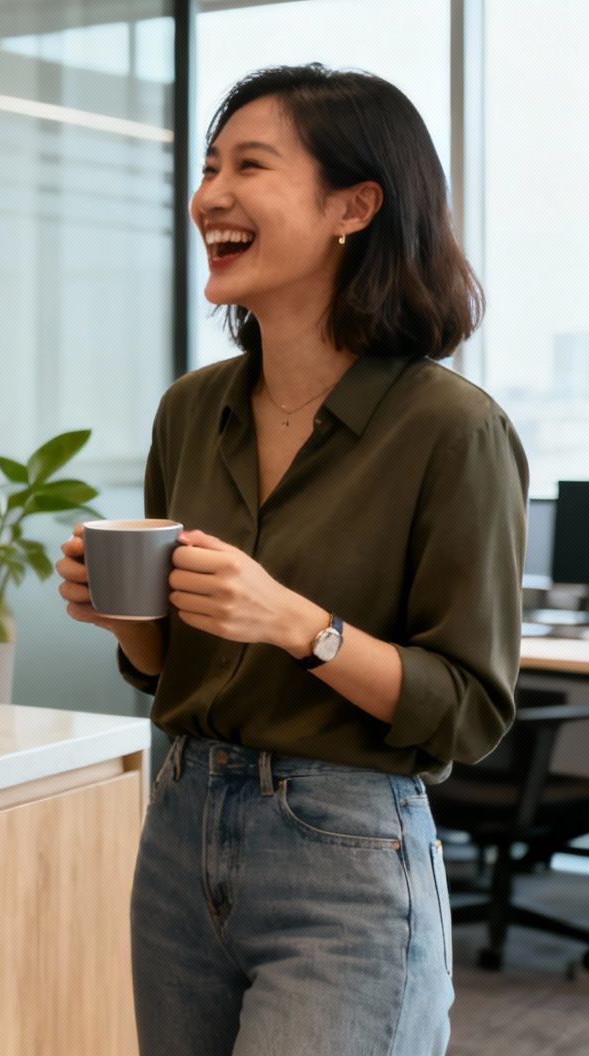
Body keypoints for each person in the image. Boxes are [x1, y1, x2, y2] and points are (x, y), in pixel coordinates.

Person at [56, 64, 528, 1055]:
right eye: (207, 167)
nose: (207, 197)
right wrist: (124, 620)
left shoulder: (450, 429)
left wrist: (292, 623)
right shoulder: (191, 409)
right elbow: (161, 669)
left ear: (352, 205)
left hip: (341, 849)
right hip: (179, 827)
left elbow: (470, 711)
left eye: (248, 166)